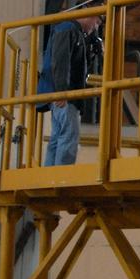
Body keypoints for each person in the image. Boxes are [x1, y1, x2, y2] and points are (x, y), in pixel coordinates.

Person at [37, 14, 101, 166]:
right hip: (66, 95)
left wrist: (93, 50)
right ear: (88, 14)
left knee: (57, 137)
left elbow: (75, 64)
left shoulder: (74, 32)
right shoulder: (68, 29)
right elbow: (60, 60)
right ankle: (61, 175)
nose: (96, 27)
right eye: (97, 21)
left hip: (63, 93)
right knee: (69, 135)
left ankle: (50, 175)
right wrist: (62, 91)